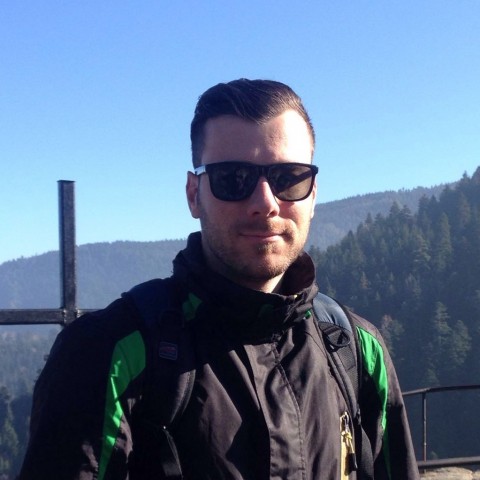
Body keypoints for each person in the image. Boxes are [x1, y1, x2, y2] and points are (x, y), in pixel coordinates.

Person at [19, 79, 419, 479]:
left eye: (289, 178)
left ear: (312, 195)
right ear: (193, 194)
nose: (265, 203)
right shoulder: (108, 353)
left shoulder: (356, 349)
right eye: (233, 178)